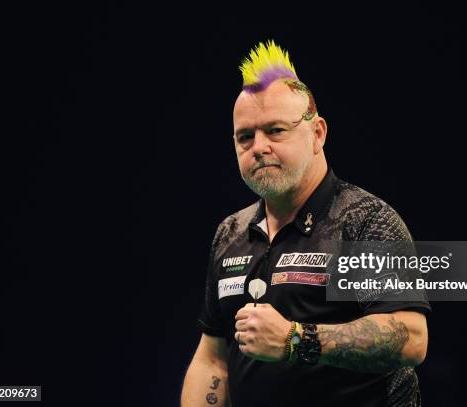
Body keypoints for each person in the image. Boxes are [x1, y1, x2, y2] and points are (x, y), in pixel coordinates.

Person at [181, 40, 430, 407]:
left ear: (318, 134)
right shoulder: (230, 233)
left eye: (276, 130)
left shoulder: (364, 220)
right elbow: (213, 359)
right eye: (245, 137)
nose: (259, 146)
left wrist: (294, 339)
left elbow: (410, 337)